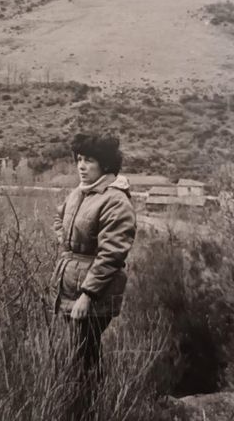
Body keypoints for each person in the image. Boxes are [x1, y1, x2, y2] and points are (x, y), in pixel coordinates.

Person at [51, 132, 137, 416]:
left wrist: (88, 295)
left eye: (89, 160)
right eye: (79, 159)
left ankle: (90, 408)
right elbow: (59, 217)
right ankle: (83, 406)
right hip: (70, 283)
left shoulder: (115, 200)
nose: (82, 166)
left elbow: (112, 254)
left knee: (86, 354)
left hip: (93, 292)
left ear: (105, 165)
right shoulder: (79, 192)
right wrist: (67, 246)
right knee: (78, 354)